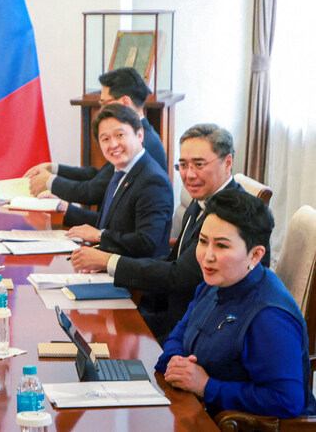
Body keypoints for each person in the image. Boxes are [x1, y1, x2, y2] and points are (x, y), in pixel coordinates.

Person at [70, 124, 244, 342]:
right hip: (174, 314)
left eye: (199, 165)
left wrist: (110, 261)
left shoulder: (231, 213)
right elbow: (174, 259)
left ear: (227, 162)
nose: (189, 175)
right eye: (183, 165)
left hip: (198, 331)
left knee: (100, 335)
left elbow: (179, 275)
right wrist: (111, 267)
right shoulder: (203, 199)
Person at [156, 190, 316, 418]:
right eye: (203, 241)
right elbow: (178, 336)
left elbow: (286, 400)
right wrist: (175, 361)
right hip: (195, 409)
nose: (207, 256)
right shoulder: (216, 280)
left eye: (221, 246)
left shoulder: (269, 316)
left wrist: (207, 386)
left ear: (255, 255)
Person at [24, 67, 167, 203]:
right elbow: (100, 175)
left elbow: (93, 190)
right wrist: (54, 169)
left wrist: (50, 182)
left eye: (104, 103)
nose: (101, 110)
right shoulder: (142, 135)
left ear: (125, 102)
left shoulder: (140, 143)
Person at [62, 103, 173, 258]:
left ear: (140, 135)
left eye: (120, 135)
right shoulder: (120, 172)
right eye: (105, 139)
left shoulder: (153, 180)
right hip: (108, 264)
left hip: (136, 276)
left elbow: (147, 242)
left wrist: (100, 236)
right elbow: (112, 223)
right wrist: (65, 210)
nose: (113, 145)